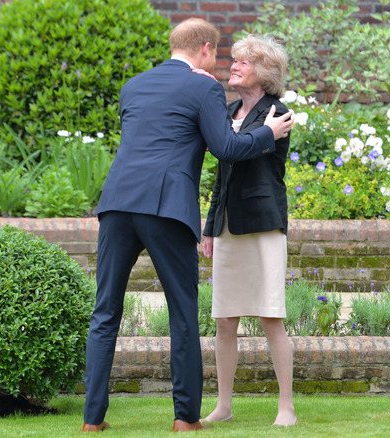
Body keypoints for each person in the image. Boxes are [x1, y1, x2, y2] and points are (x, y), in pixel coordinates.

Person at [82, 19, 293, 433]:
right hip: (166, 207)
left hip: (117, 203)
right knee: (182, 313)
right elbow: (225, 148)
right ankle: (185, 418)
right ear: (206, 50)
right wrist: (267, 133)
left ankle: (92, 420)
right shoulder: (205, 88)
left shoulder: (134, 85)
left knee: (105, 312)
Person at [198, 34, 297, 427]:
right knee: (225, 319)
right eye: (234, 60)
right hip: (227, 227)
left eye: (243, 62)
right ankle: (223, 406)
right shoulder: (228, 110)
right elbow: (221, 176)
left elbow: (242, 152)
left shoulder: (279, 114)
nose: (233, 66)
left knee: (271, 317)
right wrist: (209, 228)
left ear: (265, 71)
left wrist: (257, 134)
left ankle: (286, 407)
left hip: (262, 225)